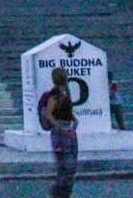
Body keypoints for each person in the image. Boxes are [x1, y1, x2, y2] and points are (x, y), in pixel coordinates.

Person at [40, 66, 78, 198]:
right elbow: (48, 114)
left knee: (70, 166)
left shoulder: (65, 93)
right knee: (65, 166)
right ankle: (57, 194)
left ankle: (64, 194)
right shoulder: (54, 95)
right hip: (60, 132)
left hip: (69, 130)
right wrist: (61, 127)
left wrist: (74, 123)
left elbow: (68, 113)